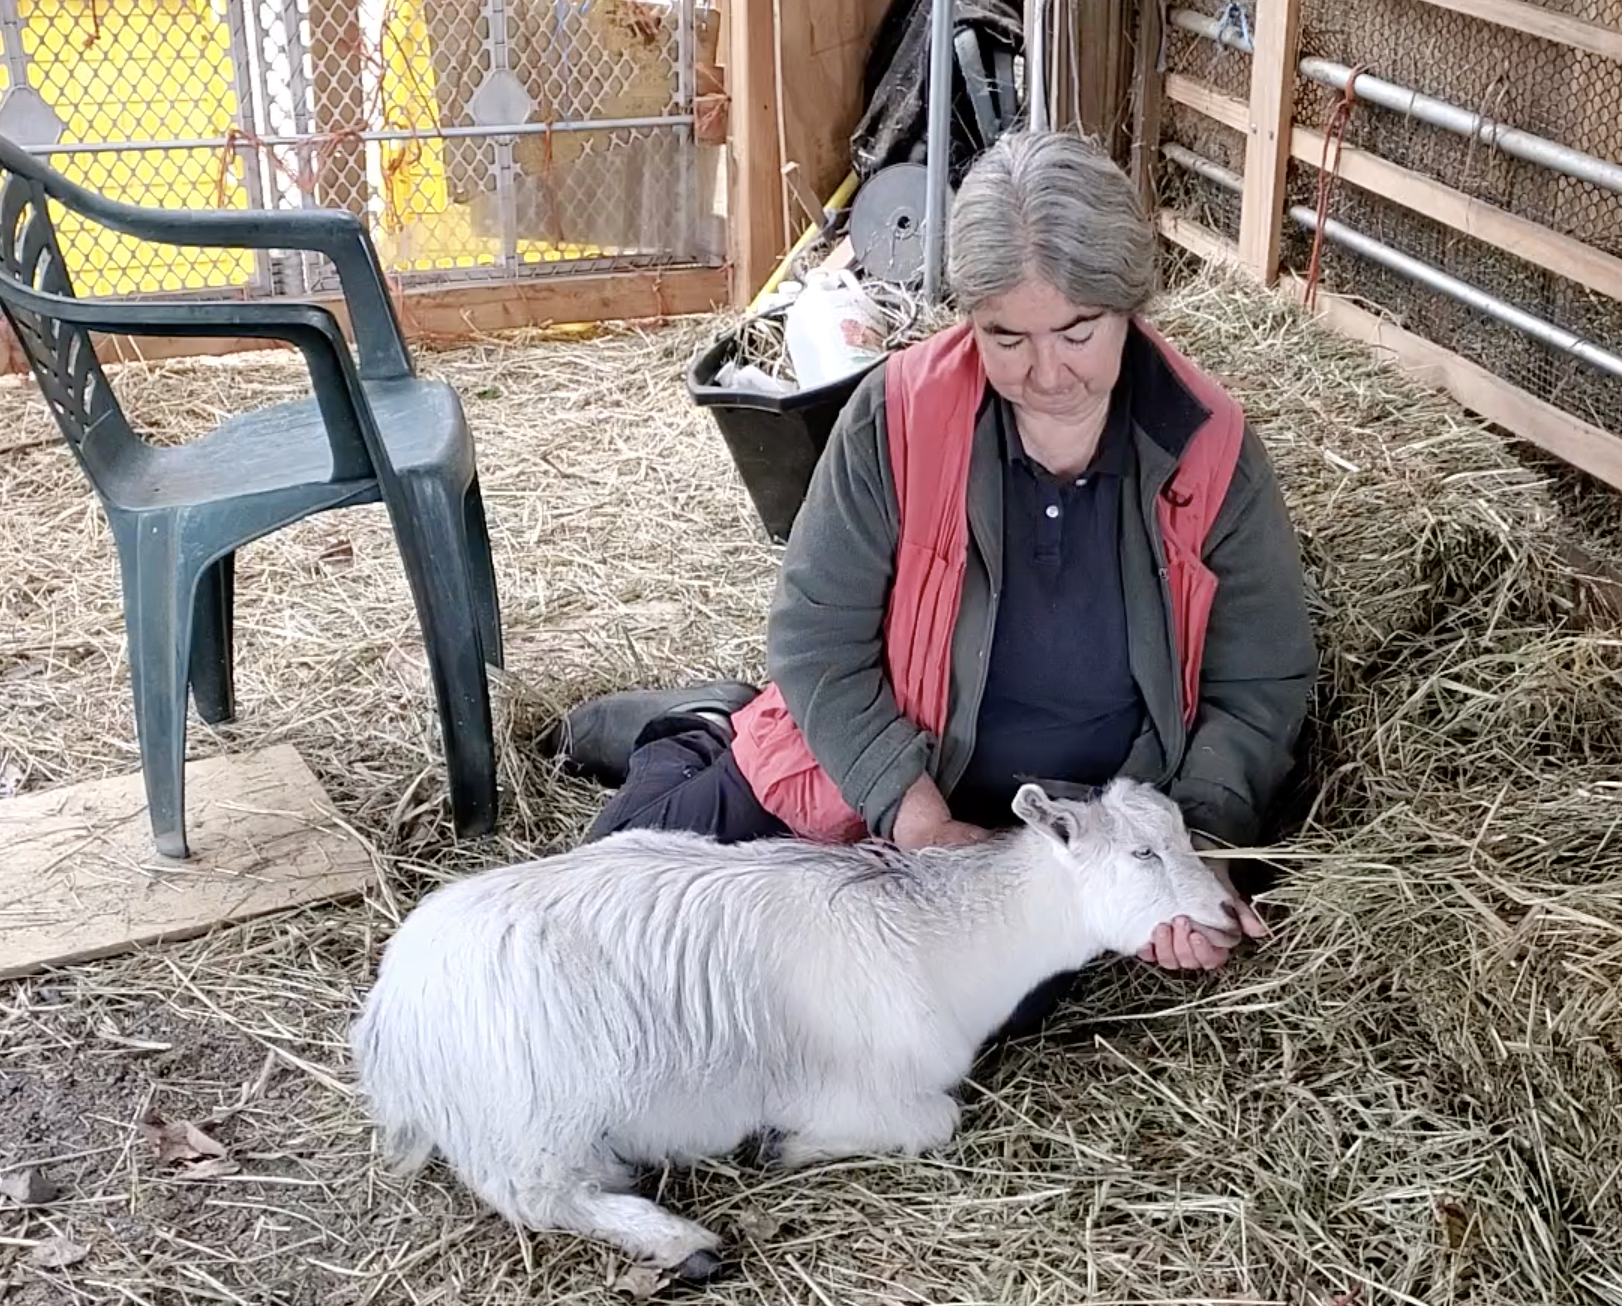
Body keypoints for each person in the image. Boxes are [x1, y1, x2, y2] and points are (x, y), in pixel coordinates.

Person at [537, 128, 1316, 1032]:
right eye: (1006, 338)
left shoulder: (1207, 443)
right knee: (613, 906)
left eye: (1078, 331)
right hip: (886, 765)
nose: (1048, 373)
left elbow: (1258, 681)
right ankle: (698, 730)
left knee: (936, 1018)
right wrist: (912, 819)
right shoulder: (902, 410)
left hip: (1059, 832)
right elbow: (816, 634)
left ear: (1129, 308)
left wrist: (1193, 846)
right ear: (968, 318)